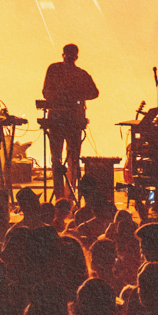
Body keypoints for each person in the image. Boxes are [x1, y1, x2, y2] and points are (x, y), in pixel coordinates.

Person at [41, 44, 98, 199]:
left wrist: (72, 94)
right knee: (66, 160)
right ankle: (65, 196)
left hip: (63, 120)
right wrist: (75, 95)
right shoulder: (77, 73)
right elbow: (46, 92)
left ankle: (65, 196)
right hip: (68, 121)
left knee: (62, 160)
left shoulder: (56, 69)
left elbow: (94, 93)